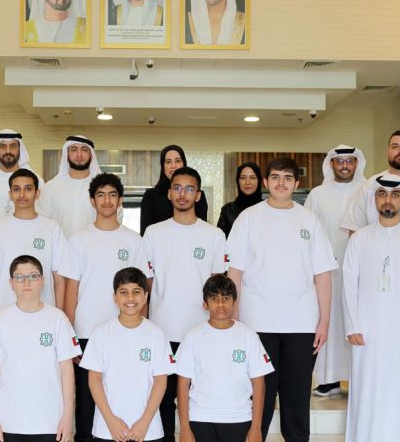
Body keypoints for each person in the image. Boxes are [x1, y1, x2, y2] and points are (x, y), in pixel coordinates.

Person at [227, 157, 337, 442]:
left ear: (296, 184)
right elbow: (235, 273)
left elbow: (322, 274)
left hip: (302, 324)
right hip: (256, 323)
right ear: (266, 182)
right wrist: (234, 319)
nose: (281, 183)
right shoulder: (249, 218)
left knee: (297, 398)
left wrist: (324, 321)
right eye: (275, 177)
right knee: (258, 397)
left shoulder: (309, 220)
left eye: (288, 178)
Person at [341, 174, 400, 442]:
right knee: (369, 389)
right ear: (374, 199)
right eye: (382, 194)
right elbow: (348, 283)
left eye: (395, 194)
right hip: (368, 332)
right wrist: (352, 325)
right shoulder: (360, 238)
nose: (388, 200)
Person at [62, 173, 152, 442]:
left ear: (120, 200)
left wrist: (142, 330)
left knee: (121, 394)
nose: (107, 200)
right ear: (92, 201)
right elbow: (71, 290)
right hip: (86, 332)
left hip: (125, 331)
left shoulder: (134, 240)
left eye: (112, 195)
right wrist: (70, 337)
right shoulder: (78, 240)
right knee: (86, 400)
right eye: (100, 195)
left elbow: (143, 288)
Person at [144, 166, 227, 442]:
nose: (183, 194)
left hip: (201, 332)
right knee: (164, 401)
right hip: (162, 331)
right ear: (169, 193)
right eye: (177, 188)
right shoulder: (154, 233)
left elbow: (217, 286)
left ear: (198, 195)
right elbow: (147, 283)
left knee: (199, 399)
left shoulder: (214, 235)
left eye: (189, 189)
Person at [0, 255, 82, 442]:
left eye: (33, 276)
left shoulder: (58, 319)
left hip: (50, 422)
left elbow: (67, 370)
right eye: (19, 277)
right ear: (11, 283)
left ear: (42, 280)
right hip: (7, 422)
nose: (26, 282)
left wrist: (67, 417)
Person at [80, 267, 174, 442]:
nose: (130, 298)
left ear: (145, 296)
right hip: (108, 430)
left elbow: (161, 381)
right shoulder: (101, 333)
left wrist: (145, 422)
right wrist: (110, 420)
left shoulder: (156, 334)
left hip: (148, 431)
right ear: (114, 297)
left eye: (136, 292)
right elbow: (94, 380)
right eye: (123, 292)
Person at [176, 274, 272, 442]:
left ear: (235, 303)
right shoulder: (192, 337)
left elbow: (259, 384)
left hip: (239, 418)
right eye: (214, 299)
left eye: (226, 298)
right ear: (205, 304)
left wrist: (256, 428)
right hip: (200, 418)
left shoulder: (249, 336)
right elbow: (183, 384)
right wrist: (184, 428)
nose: (221, 304)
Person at [304, 145, 367, 396]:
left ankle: (358, 378)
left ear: (356, 163)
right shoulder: (318, 194)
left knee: (357, 319)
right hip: (326, 272)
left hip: (361, 271)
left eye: (349, 161)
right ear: (331, 164)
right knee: (327, 319)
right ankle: (328, 379)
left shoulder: (367, 190)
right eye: (339, 161)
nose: (344, 165)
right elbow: (307, 232)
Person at [0, 169, 69, 325]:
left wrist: (58, 320)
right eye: (16, 189)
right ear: (10, 194)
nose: (22, 194)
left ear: (37, 193)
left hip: (44, 318)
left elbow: (59, 281)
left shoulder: (52, 228)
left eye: (28, 188)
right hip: (4, 317)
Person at [38, 135, 105, 237]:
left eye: (84, 150)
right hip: (60, 246)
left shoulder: (104, 188)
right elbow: (42, 222)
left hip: (94, 246)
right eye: (74, 149)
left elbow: (114, 219)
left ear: (91, 155)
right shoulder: (50, 188)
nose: (79, 154)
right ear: (66, 154)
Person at [140, 145, 208, 236]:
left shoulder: (196, 195)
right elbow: (145, 234)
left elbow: (202, 229)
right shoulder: (150, 196)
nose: (173, 166)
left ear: (184, 163)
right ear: (163, 166)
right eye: (168, 162)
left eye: (177, 161)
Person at [216, 162, 262, 237]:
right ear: (238, 181)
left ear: (259, 180)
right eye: (243, 178)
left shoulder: (268, 208)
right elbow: (220, 240)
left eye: (252, 177)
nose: (247, 182)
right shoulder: (227, 211)